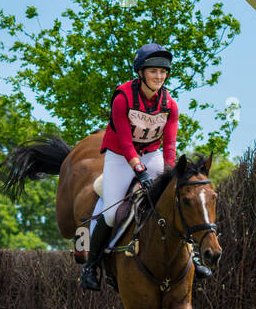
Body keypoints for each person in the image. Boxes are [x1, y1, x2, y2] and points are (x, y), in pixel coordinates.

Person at [80, 42, 212, 290]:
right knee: (110, 213)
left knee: (171, 202)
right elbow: (124, 140)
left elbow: (170, 145)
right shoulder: (122, 97)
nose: (159, 76)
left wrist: (170, 175)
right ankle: (90, 267)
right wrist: (138, 170)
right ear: (140, 72)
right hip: (120, 156)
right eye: (153, 71)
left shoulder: (170, 105)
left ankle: (192, 256)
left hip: (152, 154)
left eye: (163, 72)